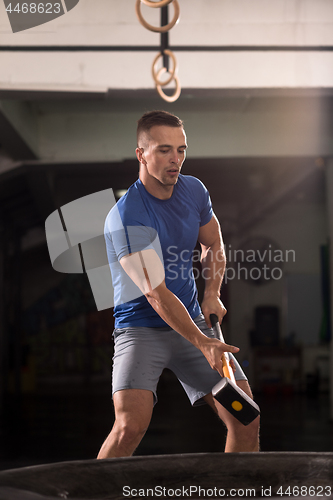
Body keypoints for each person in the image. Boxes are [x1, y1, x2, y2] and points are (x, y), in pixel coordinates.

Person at [98, 110, 260, 458]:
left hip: (193, 328)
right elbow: (155, 294)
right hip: (141, 332)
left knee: (244, 416)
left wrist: (212, 293)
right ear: (141, 154)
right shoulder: (128, 216)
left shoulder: (194, 191)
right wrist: (204, 342)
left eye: (181, 150)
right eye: (163, 150)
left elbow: (213, 244)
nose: (176, 160)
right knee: (129, 427)